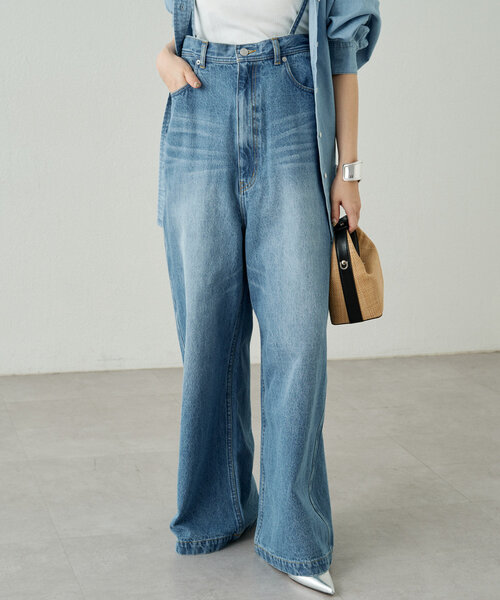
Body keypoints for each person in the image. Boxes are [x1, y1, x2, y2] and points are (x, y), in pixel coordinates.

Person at [155, 0, 381, 594]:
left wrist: (349, 171)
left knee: (297, 340)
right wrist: (163, 57)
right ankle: (216, 510)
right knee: (207, 334)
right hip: (200, 102)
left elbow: (343, 50)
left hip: (292, 106)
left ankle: (294, 535)